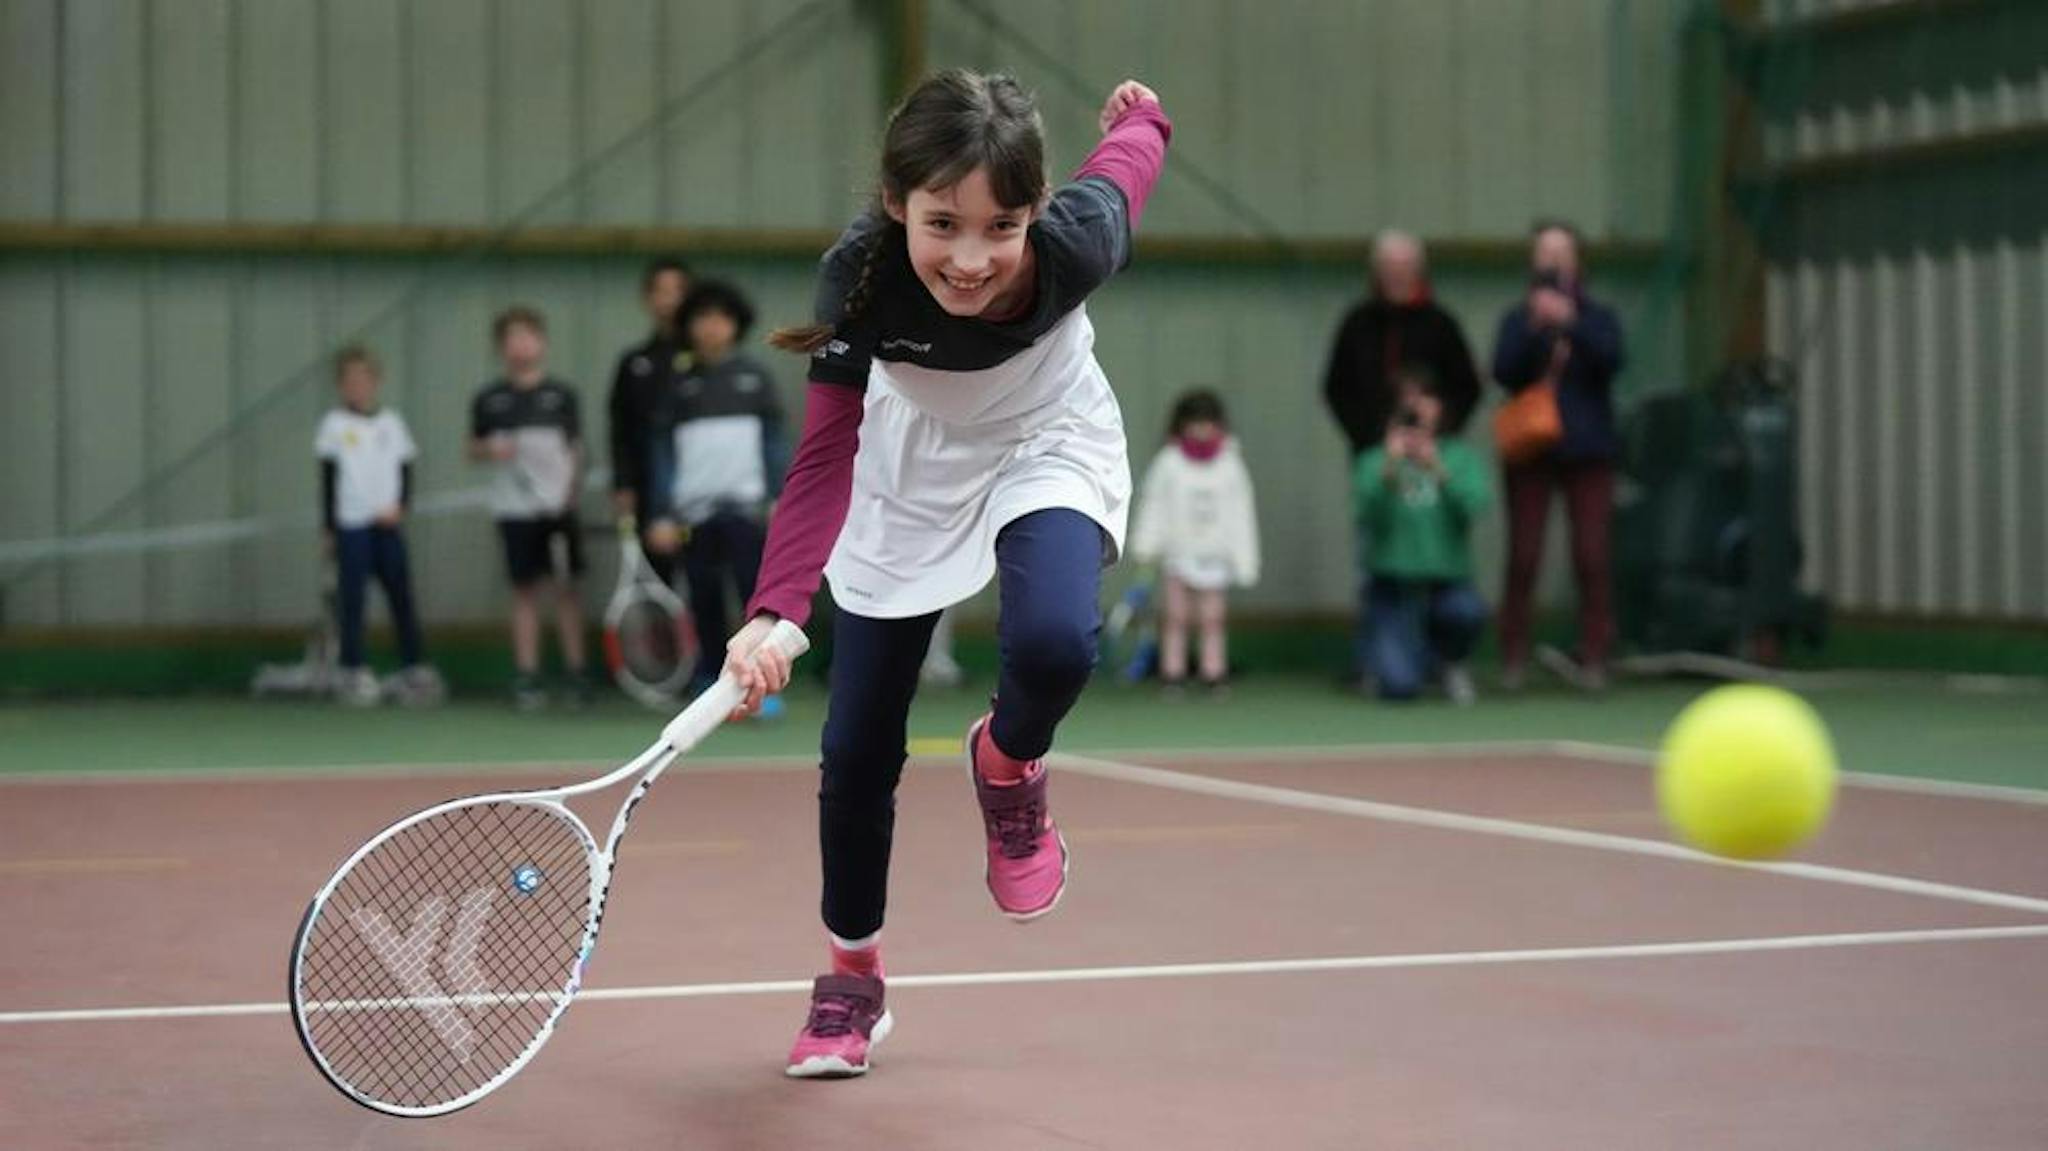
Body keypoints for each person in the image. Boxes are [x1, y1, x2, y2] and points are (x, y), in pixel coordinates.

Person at [716, 70, 1169, 1078]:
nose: (971, 259)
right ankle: (851, 978)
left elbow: (1128, 164)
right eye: (941, 224)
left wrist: (1142, 116)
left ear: (1035, 213)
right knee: (858, 743)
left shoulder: (1076, 240)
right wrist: (774, 609)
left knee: (1054, 639)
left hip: (1045, 439)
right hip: (905, 463)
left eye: (999, 225)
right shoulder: (863, 278)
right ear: (894, 204)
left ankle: (1007, 762)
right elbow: (825, 453)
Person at [1322, 230, 1482, 687]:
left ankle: (1443, 656)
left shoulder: (1440, 324)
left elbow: (1468, 387)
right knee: (1373, 560)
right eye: (1389, 266)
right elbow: (1336, 388)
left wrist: (1441, 443)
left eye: (1405, 266)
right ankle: (1375, 656)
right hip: (1372, 453)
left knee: (1450, 587)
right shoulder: (1358, 323)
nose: (1397, 275)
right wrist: (1374, 441)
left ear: (1418, 269)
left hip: (1437, 460)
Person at [1491, 220, 1626, 691]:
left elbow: (1611, 360)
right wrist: (1535, 327)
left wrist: (1570, 322)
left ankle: (1594, 655)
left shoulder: (1599, 316)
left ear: (1576, 259)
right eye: (1544, 251)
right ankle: (1512, 656)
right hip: (1531, 451)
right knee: (1524, 555)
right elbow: (1503, 370)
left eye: (1561, 250)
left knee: (1591, 554)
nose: (1552, 259)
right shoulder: (1517, 318)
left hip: (1588, 450)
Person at [643, 279, 787, 697]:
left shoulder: (755, 378)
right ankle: (710, 679)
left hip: (747, 509)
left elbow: (774, 443)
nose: (712, 327)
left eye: (721, 318)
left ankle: (761, 688)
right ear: (688, 325)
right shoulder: (676, 383)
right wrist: (662, 513)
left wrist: (780, 497)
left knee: (753, 598)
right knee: (702, 596)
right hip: (694, 515)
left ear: (735, 324)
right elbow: (662, 453)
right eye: (702, 318)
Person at [469, 306, 590, 710]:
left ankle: (576, 673)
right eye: (512, 338)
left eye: (528, 336)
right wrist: (490, 448)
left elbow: (576, 450)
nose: (521, 345)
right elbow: (473, 447)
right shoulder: (490, 399)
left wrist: (568, 494)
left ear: (541, 342)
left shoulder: (562, 396)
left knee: (566, 590)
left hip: (557, 511)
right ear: (501, 347)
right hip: (514, 510)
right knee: (524, 591)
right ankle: (528, 675)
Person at [1354, 368, 1492, 704]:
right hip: (1393, 582)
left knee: (1467, 612)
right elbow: (1365, 514)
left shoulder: (1459, 457)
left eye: (1424, 400)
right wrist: (1389, 466)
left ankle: (1449, 662)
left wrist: (1438, 469)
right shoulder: (1374, 460)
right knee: (1399, 687)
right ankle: (1396, 662)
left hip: (1446, 580)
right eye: (1408, 401)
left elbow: (1475, 506)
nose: (1417, 410)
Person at [314, 345, 440, 706]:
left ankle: (413, 666)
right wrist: (329, 527)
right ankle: (352, 667)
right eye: (350, 381)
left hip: (387, 524)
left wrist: (400, 508)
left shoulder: (392, 424)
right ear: (341, 385)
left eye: (364, 379)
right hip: (352, 525)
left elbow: (405, 470)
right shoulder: (333, 426)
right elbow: (328, 477)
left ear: (376, 382)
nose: (358, 387)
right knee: (352, 598)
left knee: (401, 594)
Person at [1128, 389, 1260, 694]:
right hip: (1178, 555)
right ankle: (1172, 673)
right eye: (1195, 422)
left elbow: (1241, 514)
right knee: (1175, 617)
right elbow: (1154, 505)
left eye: (1207, 422)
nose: (1201, 429)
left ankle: (1213, 672)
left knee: (1212, 618)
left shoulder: (1230, 464)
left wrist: (1244, 560)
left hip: (1215, 557)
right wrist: (1146, 545)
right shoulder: (1168, 462)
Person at [608, 257, 692, 583]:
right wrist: (623, 484)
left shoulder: (708, 362)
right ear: (648, 298)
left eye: (677, 290)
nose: (669, 299)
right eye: (661, 291)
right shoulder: (634, 363)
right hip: (649, 489)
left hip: (700, 484)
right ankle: (663, 635)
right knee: (659, 576)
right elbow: (620, 427)